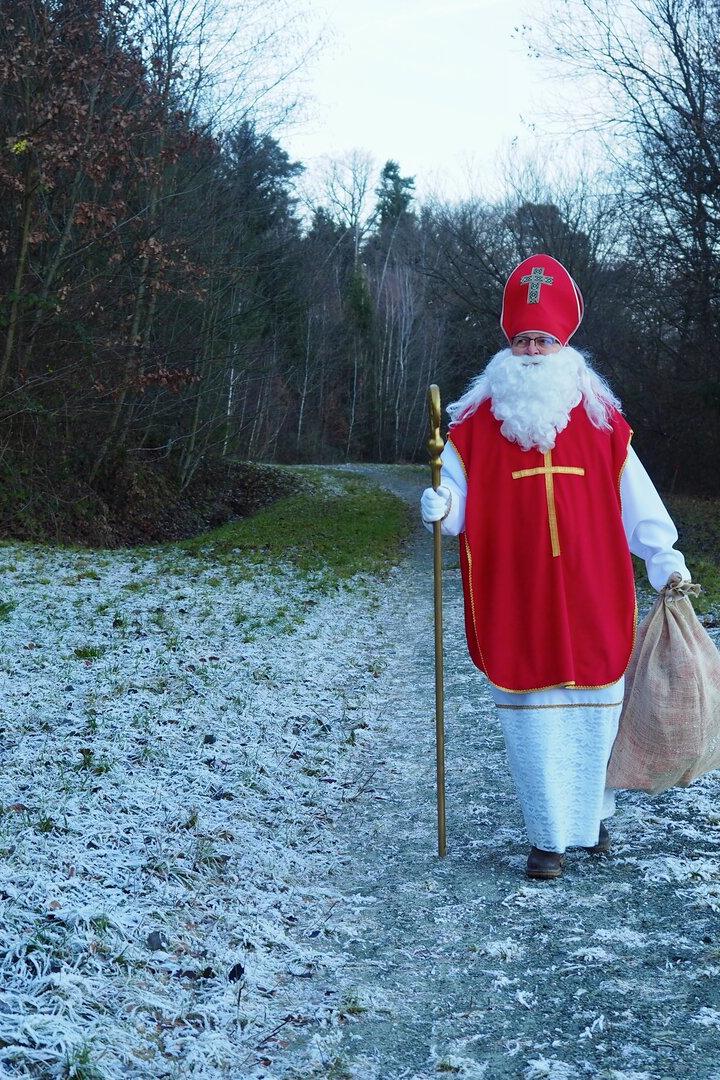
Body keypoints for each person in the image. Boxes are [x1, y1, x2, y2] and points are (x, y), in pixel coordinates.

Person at [420, 253, 690, 880]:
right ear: (507, 348)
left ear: (564, 343)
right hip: (516, 592)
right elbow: (455, 503)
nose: (533, 349)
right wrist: (442, 505)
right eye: (522, 339)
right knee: (534, 715)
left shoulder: (601, 423)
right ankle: (547, 836)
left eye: (543, 338)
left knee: (596, 704)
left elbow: (636, 496)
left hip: (593, 586)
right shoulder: (475, 427)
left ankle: (590, 819)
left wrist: (662, 553)